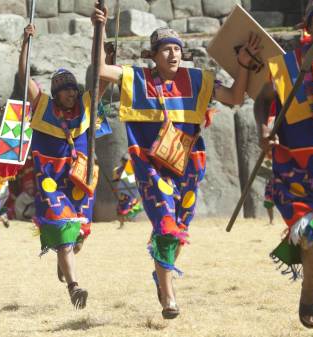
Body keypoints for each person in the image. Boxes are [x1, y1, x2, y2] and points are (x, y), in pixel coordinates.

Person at [92, 4, 260, 318]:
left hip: (188, 167)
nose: (172, 54)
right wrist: (99, 29)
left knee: (179, 228)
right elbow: (101, 71)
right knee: (167, 227)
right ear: (153, 55)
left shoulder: (199, 80)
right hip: (151, 167)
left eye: (176, 49)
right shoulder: (136, 78)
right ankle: (169, 297)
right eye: (165, 50)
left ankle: (162, 272)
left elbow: (236, 98)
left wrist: (244, 65)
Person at [18, 23, 110, 309]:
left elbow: (101, 73)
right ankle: (74, 287)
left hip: (80, 181)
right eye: (66, 89)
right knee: (61, 228)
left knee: (78, 235)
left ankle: (65, 255)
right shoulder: (43, 106)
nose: (72, 93)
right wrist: (25, 43)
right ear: (56, 93)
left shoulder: (86, 105)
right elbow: (24, 77)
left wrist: (101, 30)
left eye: (73, 88)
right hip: (51, 183)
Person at [254, 0, 313, 334]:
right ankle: (309, 287)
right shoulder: (287, 67)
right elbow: (263, 99)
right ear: (308, 27)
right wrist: (265, 130)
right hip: (301, 171)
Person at [112, 154, 143, 229]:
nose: (124, 162)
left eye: (126, 161)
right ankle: (122, 224)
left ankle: (129, 222)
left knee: (131, 207)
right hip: (123, 192)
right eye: (123, 161)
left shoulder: (134, 169)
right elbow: (116, 179)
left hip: (131, 191)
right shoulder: (118, 169)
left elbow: (138, 179)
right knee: (121, 209)